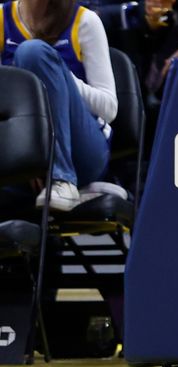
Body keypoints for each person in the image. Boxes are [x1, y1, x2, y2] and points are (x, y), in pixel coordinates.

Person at [0, 0, 118, 211]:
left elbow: (109, 108)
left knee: (32, 53)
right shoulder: (2, 18)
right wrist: (26, 156)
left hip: (83, 151)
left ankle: (62, 179)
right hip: (22, 149)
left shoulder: (85, 21)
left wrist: (60, 76)